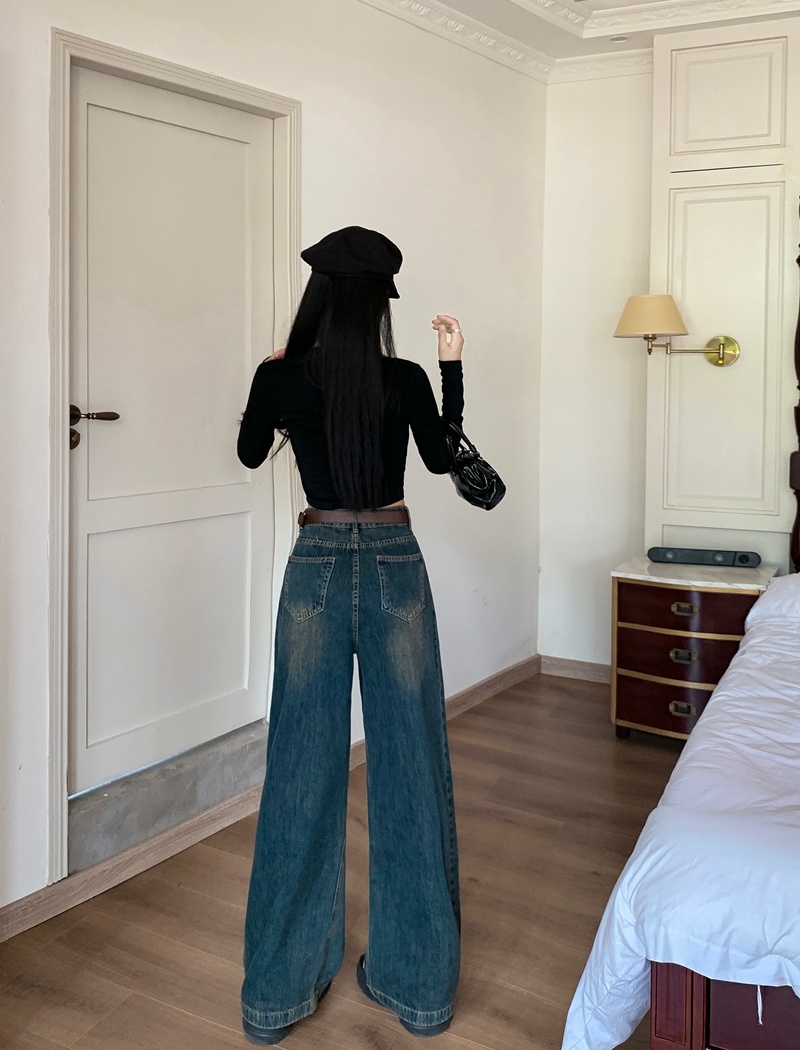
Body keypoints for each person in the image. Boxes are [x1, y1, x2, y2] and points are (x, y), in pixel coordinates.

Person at [237, 225, 464, 1045]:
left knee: (300, 769)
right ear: (379, 306)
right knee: (412, 765)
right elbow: (441, 460)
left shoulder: (282, 375)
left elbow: (249, 452)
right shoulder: (403, 378)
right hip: (396, 559)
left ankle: (275, 999)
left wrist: (270, 382)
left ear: (319, 299)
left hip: (318, 562)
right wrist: (451, 369)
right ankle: (419, 991)